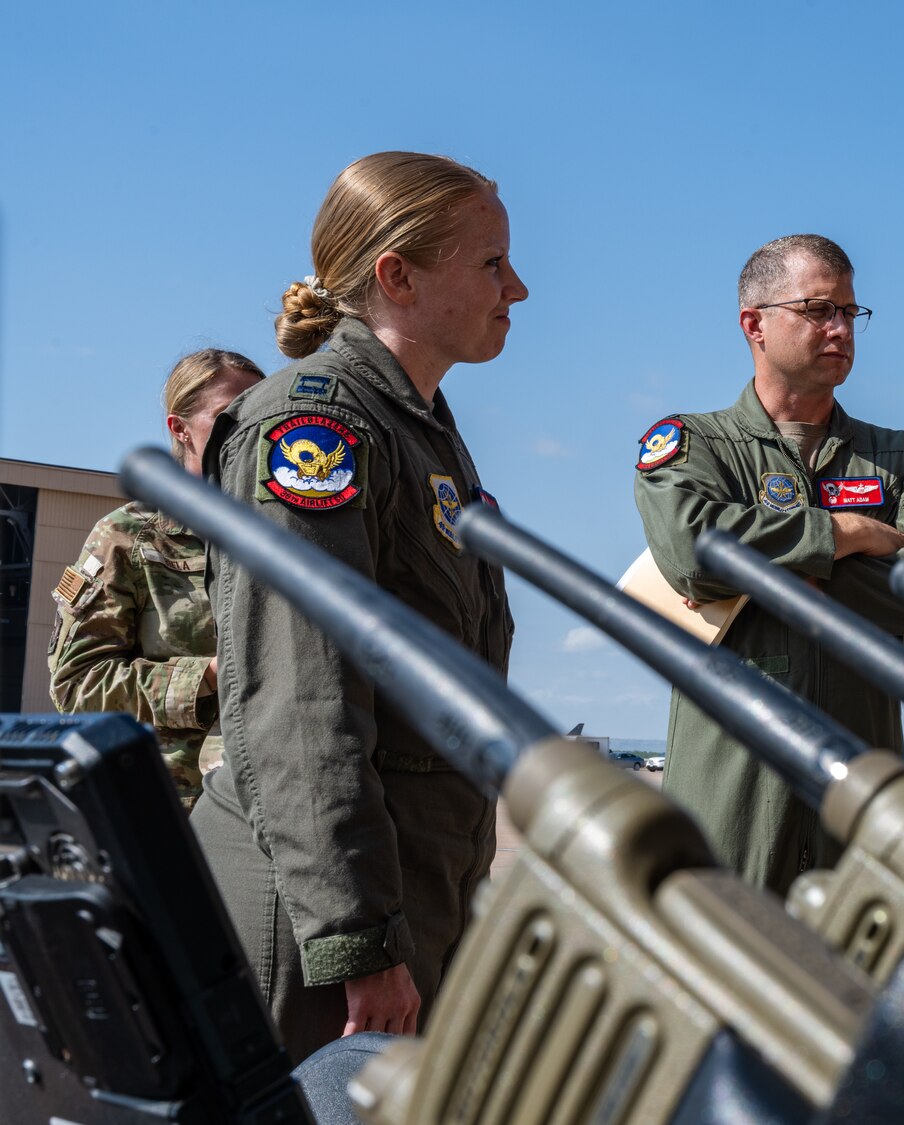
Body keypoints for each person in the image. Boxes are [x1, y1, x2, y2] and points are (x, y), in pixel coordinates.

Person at [195, 151, 524, 1061]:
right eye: (492, 262)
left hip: (409, 892)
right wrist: (358, 936)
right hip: (320, 919)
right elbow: (302, 698)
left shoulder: (422, 433)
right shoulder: (315, 430)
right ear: (397, 276)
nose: (517, 288)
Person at [634, 234, 904, 894]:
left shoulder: (898, 457)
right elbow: (692, 553)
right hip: (730, 804)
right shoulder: (695, 446)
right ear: (754, 324)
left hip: (859, 800)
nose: (840, 328)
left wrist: (774, 569)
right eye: (817, 310)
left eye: (849, 311)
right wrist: (844, 533)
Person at [48, 349, 265, 809]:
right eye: (228, 416)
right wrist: (209, 675)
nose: (248, 430)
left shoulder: (290, 534)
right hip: (172, 806)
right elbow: (77, 686)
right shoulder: (130, 536)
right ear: (179, 429)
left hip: (278, 800)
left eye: (260, 414)